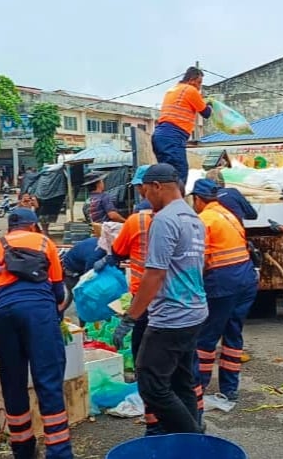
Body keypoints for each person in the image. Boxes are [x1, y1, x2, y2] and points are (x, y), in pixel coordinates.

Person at [0, 208, 72, 459]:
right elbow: (59, 293)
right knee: (48, 381)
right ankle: (58, 452)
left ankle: (23, 450)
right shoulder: (44, 242)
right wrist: (54, 319)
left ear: (10, 228)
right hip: (38, 313)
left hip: (1, 316)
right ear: (33, 226)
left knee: (13, 381)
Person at [121, 163, 207, 434]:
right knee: (182, 381)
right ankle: (187, 443)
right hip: (194, 311)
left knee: (151, 384)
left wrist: (130, 317)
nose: (145, 198)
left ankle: (194, 438)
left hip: (171, 316)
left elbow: (154, 275)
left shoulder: (165, 220)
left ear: (157, 186)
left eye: (146, 191)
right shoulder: (193, 218)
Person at [103, 165, 161, 434]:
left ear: (143, 187)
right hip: (177, 300)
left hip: (144, 297)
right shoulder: (184, 218)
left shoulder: (136, 220)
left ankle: (154, 422)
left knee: (143, 357)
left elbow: (117, 251)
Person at [190, 179, 258, 402]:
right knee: (232, 334)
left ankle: (197, 388)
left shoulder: (203, 220)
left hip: (223, 283)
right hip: (246, 279)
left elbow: (202, 260)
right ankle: (230, 389)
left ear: (197, 200)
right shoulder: (228, 214)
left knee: (206, 338)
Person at [152, 67, 213, 186]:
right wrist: (210, 104)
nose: (200, 87)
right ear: (192, 79)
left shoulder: (172, 90)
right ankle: (176, 202)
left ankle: (166, 202)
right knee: (179, 174)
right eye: (199, 82)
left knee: (166, 176)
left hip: (160, 135)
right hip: (173, 136)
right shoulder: (190, 90)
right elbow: (206, 113)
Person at [60, 236, 108, 314]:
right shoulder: (95, 256)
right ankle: (82, 323)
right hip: (72, 273)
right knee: (82, 299)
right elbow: (87, 279)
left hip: (78, 267)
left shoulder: (100, 241)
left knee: (75, 297)